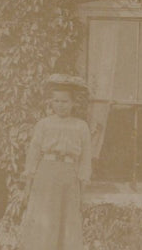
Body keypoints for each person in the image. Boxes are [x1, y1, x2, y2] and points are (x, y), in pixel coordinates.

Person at [18, 74, 91, 250]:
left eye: (65, 101)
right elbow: (33, 155)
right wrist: (28, 187)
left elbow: (85, 160)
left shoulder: (81, 126)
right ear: (51, 102)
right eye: (56, 101)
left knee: (67, 219)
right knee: (44, 216)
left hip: (69, 175)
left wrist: (83, 193)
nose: (60, 105)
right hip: (46, 174)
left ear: (73, 103)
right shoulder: (43, 124)